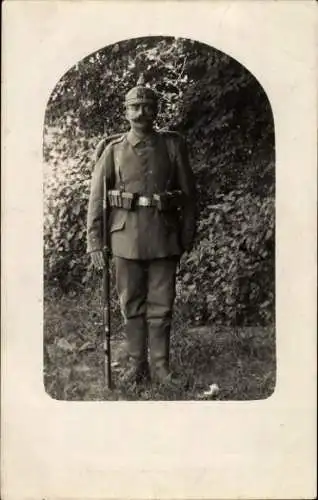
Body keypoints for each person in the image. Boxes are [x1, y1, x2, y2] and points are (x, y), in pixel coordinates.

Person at [87, 75, 196, 386]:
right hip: (124, 238)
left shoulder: (173, 146)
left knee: (162, 305)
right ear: (125, 111)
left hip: (164, 235)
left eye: (148, 106)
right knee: (130, 304)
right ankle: (138, 366)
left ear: (156, 111)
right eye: (135, 107)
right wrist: (95, 242)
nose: (141, 113)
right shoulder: (112, 150)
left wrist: (185, 235)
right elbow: (96, 199)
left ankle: (161, 368)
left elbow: (189, 196)